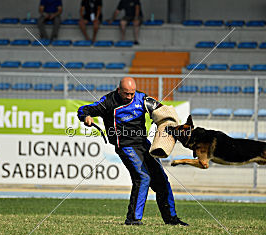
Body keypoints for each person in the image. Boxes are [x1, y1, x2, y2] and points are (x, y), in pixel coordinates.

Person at [77, 77, 188, 226]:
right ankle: (133, 219)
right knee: (142, 177)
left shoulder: (142, 98)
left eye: (132, 93)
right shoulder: (109, 102)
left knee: (161, 180)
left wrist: (168, 122)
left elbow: (161, 110)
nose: (130, 97)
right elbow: (84, 109)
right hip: (125, 146)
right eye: (126, 94)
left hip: (143, 144)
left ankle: (171, 219)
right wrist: (86, 117)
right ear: (119, 90)